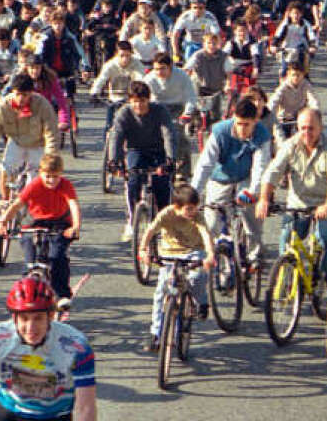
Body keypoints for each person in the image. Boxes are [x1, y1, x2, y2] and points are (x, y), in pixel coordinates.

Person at [0, 277, 96, 421]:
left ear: (51, 316)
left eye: (38, 318)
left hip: (55, 415)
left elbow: (85, 407)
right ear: (14, 318)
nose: (31, 327)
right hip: (9, 413)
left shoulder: (77, 347)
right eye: (24, 318)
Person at [257, 108, 327, 285]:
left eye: (311, 128)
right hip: (299, 203)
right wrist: (264, 199)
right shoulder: (291, 145)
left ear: (321, 127)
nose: (306, 133)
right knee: (287, 237)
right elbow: (273, 172)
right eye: (302, 128)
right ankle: (288, 273)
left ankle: (326, 271)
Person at [189, 98, 271, 265]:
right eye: (239, 123)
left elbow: (260, 167)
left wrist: (253, 192)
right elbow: (205, 164)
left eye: (247, 125)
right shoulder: (220, 131)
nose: (242, 129)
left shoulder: (262, 135)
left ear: (255, 121)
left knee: (251, 218)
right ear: (233, 118)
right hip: (220, 177)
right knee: (211, 223)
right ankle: (215, 256)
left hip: (245, 178)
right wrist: (193, 194)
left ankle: (254, 255)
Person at [0, 153, 82, 308]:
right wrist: (2, 222)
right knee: (30, 260)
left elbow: (73, 206)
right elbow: (16, 205)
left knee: (56, 257)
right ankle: (23, 292)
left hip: (59, 223)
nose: (52, 181)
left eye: (56, 176)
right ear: (40, 172)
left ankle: (62, 294)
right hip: (35, 222)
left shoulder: (66, 185)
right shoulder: (34, 185)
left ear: (61, 174)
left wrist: (75, 227)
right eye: (47, 176)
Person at [137, 185, 214, 351]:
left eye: (195, 208)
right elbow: (150, 230)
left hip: (193, 251)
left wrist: (210, 255)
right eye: (189, 209)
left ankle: (201, 301)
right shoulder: (167, 214)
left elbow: (206, 235)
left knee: (197, 276)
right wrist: (143, 250)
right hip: (170, 253)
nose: (193, 212)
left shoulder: (197, 217)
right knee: (160, 293)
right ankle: (155, 333)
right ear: (177, 207)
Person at [109, 81, 177, 242]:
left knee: (162, 183)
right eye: (134, 101)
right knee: (132, 181)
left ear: (149, 100)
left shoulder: (160, 111)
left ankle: (164, 222)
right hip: (136, 150)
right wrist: (114, 161)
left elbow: (169, 134)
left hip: (158, 150)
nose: (138, 105)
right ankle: (132, 221)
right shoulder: (124, 113)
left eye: (142, 101)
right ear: (129, 101)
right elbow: (116, 136)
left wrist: (170, 158)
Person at [0, 74, 59, 202]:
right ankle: (6, 202)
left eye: (25, 95)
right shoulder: (4, 105)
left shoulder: (42, 104)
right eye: (17, 94)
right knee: (6, 170)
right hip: (16, 142)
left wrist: (50, 155)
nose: (21, 99)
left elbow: (51, 132)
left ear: (31, 93)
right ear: (12, 91)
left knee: (36, 182)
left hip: (38, 144)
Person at [88, 40, 145, 134]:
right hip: (114, 100)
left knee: (136, 127)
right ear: (116, 54)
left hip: (130, 101)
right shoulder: (110, 65)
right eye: (122, 55)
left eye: (128, 55)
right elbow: (101, 79)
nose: (125, 59)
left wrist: (140, 92)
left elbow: (141, 79)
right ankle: (107, 145)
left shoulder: (136, 64)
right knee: (109, 127)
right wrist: (94, 93)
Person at [268, 61, 319, 141]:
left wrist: (315, 112)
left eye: (298, 75)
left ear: (303, 75)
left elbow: (313, 99)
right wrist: (270, 116)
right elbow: (274, 101)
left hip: (300, 118)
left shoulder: (306, 85)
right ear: (288, 74)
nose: (296, 78)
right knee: (281, 140)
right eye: (293, 75)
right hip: (285, 119)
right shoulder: (283, 87)